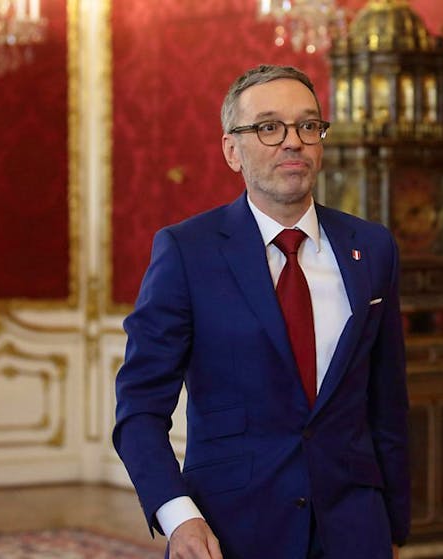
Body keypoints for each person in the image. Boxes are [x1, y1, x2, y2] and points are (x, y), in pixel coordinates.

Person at [113, 64, 410, 559]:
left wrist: (394, 529)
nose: (292, 141)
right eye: (269, 127)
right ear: (233, 150)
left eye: (308, 126)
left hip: (355, 531)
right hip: (227, 534)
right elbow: (140, 409)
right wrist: (178, 516)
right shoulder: (187, 252)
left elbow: (388, 404)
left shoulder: (372, 248)